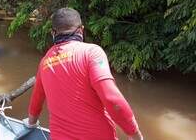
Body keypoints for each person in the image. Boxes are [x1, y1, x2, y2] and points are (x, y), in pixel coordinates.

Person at [23, 8, 143, 140]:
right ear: (81, 30)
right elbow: (112, 99)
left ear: (53, 33)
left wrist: (31, 123)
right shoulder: (92, 53)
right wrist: (135, 134)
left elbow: (36, 101)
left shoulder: (45, 62)